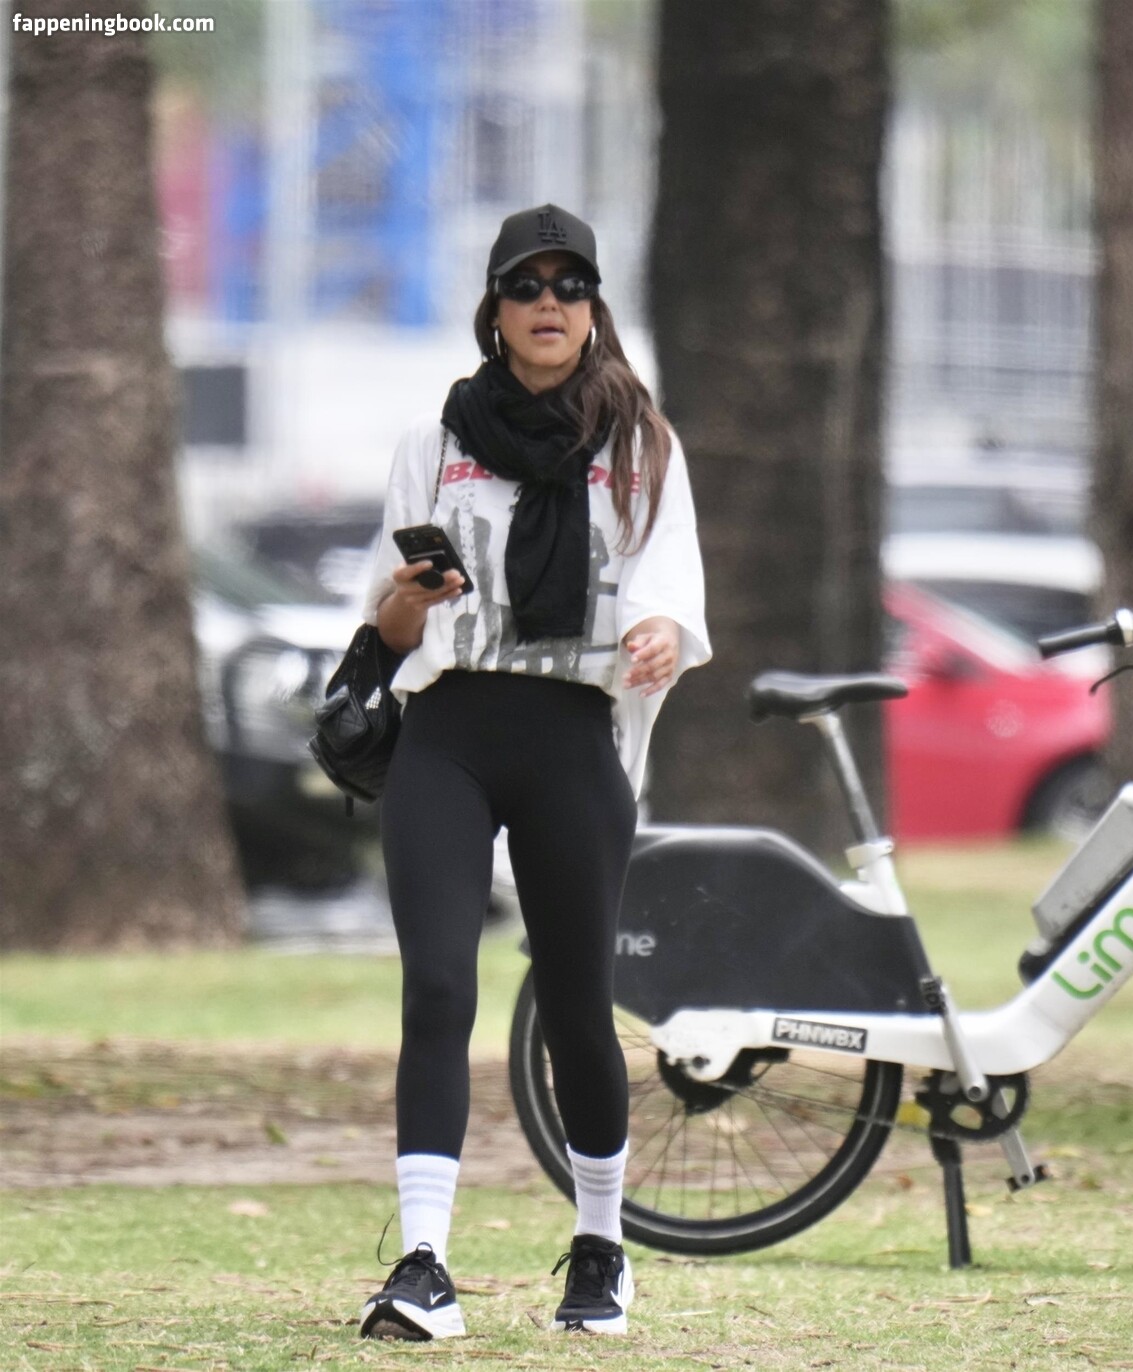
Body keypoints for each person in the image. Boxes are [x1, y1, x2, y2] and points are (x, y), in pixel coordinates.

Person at [355, 203, 709, 1341]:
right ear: (495, 310)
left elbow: (668, 595)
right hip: (448, 736)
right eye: (526, 285)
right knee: (438, 988)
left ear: (594, 307)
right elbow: (387, 628)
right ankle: (422, 1265)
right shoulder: (433, 445)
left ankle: (602, 1247)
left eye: (570, 285)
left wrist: (658, 635)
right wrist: (412, 597)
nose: (548, 304)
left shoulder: (640, 448)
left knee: (574, 1005)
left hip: (572, 740)